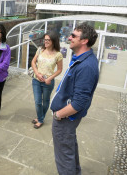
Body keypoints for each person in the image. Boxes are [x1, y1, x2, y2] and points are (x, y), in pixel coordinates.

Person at [50, 23, 99, 175]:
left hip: (65, 118)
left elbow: (79, 102)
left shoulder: (86, 66)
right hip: (67, 118)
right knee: (68, 148)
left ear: (84, 41)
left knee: (64, 156)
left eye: (74, 36)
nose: (69, 37)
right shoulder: (81, 58)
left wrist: (59, 115)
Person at [31, 31, 63, 129]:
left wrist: (49, 78)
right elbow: (33, 61)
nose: (46, 41)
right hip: (36, 80)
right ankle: (40, 119)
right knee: (37, 102)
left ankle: (40, 119)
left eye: (48, 40)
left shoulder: (58, 55)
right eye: (45, 39)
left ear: (53, 41)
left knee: (45, 101)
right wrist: (36, 73)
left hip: (48, 82)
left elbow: (59, 70)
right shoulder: (40, 50)